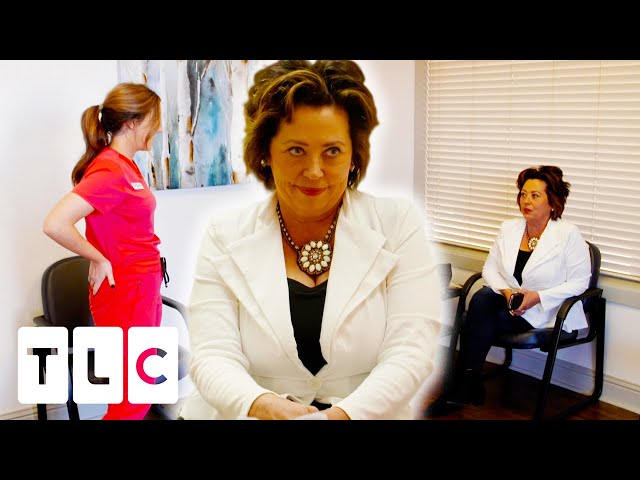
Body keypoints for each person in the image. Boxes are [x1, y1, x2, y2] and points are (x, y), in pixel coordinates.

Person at [178, 60, 442, 420]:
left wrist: (338, 416)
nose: (315, 171)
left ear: (353, 156)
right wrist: (264, 406)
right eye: (296, 150)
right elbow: (212, 355)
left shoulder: (396, 224)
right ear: (266, 154)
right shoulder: (224, 233)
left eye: (332, 151)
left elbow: (410, 352)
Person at [426, 165, 591, 416]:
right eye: (523, 194)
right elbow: (489, 269)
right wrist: (506, 292)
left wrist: (537, 297)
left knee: (475, 317)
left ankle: (462, 386)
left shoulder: (568, 234)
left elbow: (580, 282)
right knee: (482, 298)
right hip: (509, 300)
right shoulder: (509, 228)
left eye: (535, 195)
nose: (526, 201)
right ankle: (467, 384)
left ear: (552, 202)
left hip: (546, 309)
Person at [43, 82, 166, 420]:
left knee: (138, 392)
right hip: (125, 292)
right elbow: (55, 223)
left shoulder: (126, 165)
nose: (159, 128)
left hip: (142, 289)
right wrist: (97, 257)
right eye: (155, 120)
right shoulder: (110, 168)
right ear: (133, 122)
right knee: (133, 398)